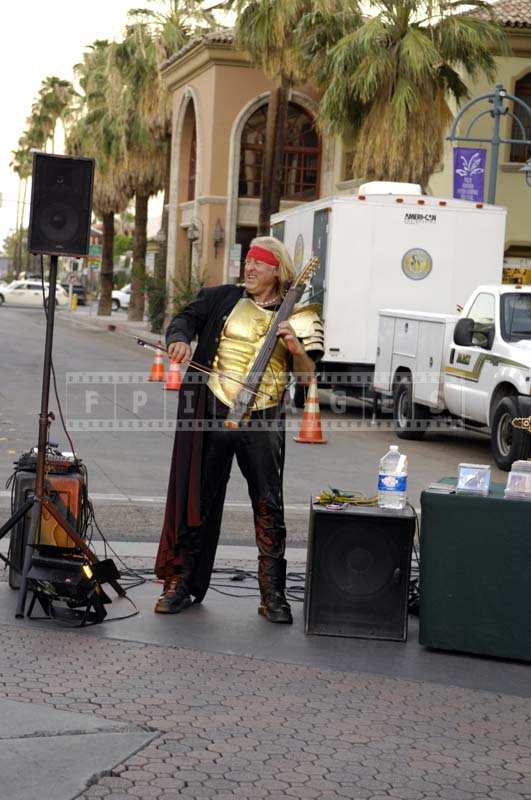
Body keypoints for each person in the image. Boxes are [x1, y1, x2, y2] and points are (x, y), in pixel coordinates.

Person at [154, 236, 324, 623]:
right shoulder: (223, 298)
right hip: (215, 407)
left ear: (277, 271)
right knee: (198, 498)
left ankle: (273, 595)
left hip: (263, 417)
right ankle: (180, 584)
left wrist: (296, 349)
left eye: (259, 263)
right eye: (248, 260)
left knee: (268, 505)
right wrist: (179, 340)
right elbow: (183, 320)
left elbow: (307, 377)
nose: (249, 267)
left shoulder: (301, 316)